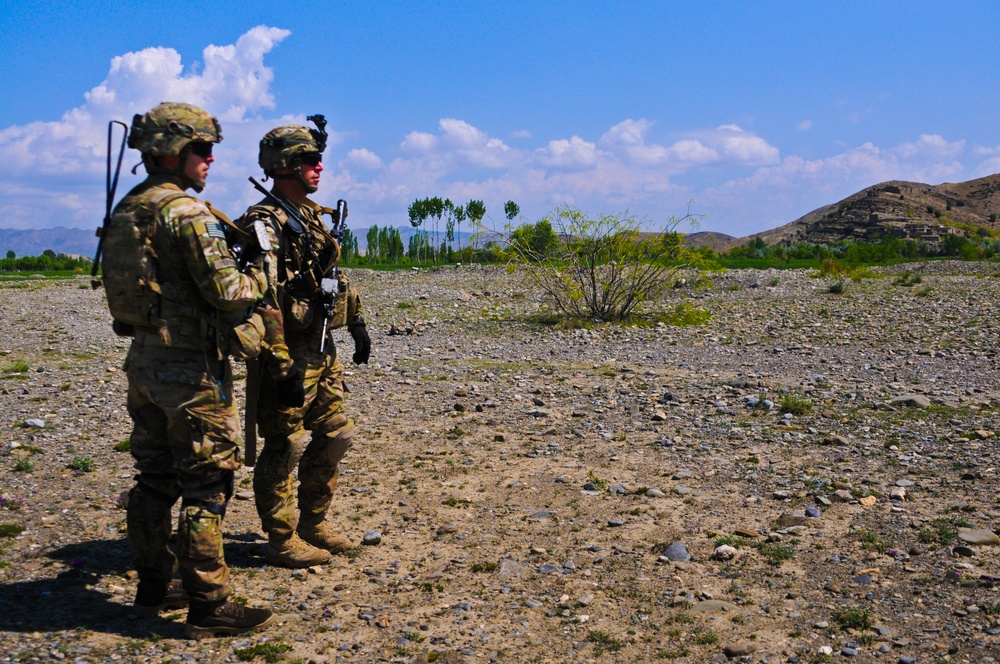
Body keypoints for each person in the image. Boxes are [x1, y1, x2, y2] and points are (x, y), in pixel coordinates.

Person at [101, 102, 273, 638]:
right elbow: (226, 294)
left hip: (145, 362)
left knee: (154, 479)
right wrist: (259, 280)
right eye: (201, 148)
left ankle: (156, 582)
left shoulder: (128, 209)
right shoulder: (187, 213)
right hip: (192, 372)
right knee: (207, 484)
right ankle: (210, 604)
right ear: (171, 152)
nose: (211, 158)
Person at [240, 117, 370, 568]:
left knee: (337, 435)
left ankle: (314, 522)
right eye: (310, 160)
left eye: (319, 159)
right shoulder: (266, 223)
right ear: (284, 166)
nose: (319, 168)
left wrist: (356, 323)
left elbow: (332, 277)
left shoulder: (312, 218)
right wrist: (277, 362)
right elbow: (262, 297)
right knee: (285, 445)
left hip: (321, 349)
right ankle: (281, 538)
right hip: (287, 355)